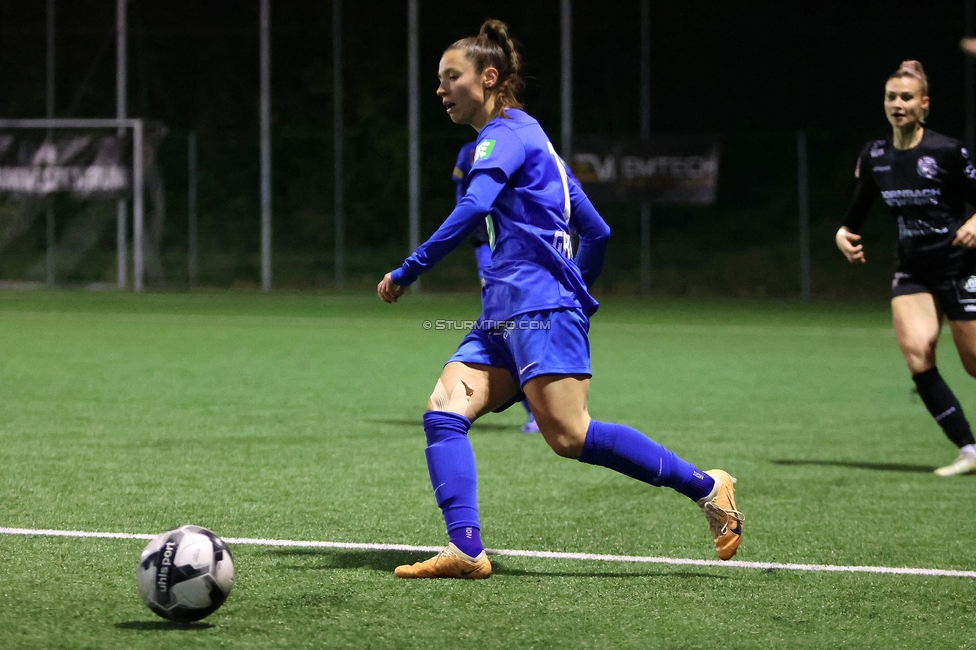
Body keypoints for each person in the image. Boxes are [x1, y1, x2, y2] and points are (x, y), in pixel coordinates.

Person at [377, 19, 743, 579]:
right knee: (444, 413)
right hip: (503, 314)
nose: (441, 88)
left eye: (452, 77)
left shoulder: (500, 137)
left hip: (537, 309)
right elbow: (597, 231)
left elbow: (475, 208)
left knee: (570, 436)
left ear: (489, 77)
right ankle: (466, 550)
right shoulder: (536, 142)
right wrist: (579, 286)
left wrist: (410, 269)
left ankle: (707, 485)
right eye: (439, 79)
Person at [836, 60, 976, 477]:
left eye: (907, 97)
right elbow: (857, 210)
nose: (898, 104)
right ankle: (969, 449)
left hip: (960, 266)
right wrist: (844, 233)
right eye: (891, 97)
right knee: (918, 354)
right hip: (914, 271)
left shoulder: (947, 151)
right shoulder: (876, 155)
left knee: (973, 364)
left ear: (924, 104)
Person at [453, 138, 539, 433]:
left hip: (515, 247)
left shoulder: (516, 143)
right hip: (486, 247)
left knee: (510, 327)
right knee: (502, 326)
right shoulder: (468, 151)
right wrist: (469, 229)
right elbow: (462, 192)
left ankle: (536, 406)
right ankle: (532, 407)